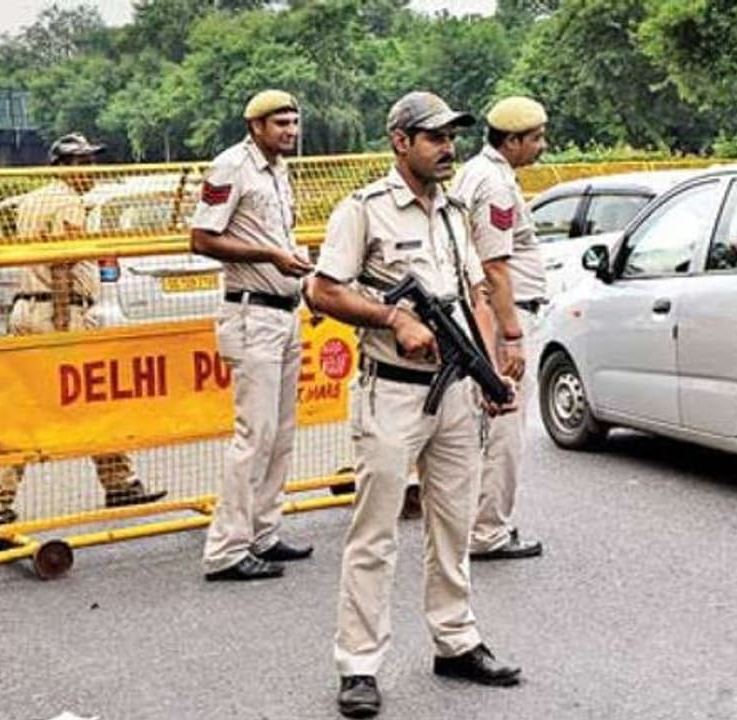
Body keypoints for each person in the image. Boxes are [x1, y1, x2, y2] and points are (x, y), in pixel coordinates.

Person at [307, 91, 522, 719]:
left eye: (452, 136)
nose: (447, 147)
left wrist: (488, 370)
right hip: (392, 390)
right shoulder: (364, 211)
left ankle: (455, 640)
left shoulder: (455, 211)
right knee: (374, 534)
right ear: (400, 141)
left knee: (452, 523)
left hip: (455, 390)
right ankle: (359, 664)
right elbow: (323, 290)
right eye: (434, 137)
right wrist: (392, 318)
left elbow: (474, 293)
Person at [0, 134, 166, 539]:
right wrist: (64, 325)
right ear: (62, 166)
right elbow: (62, 263)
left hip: (27, 307)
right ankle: (113, 484)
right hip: (56, 312)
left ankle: (3, 499)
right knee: (87, 397)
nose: (91, 170)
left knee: (39, 405)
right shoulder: (66, 203)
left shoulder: (32, 199)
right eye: (82, 162)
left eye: (92, 161)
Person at [191, 90, 315, 582]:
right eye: (280, 123)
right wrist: (270, 258)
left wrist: (302, 283)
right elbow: (202, 239)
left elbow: (281, 238)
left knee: (280, 435)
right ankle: (226, 549)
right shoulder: (230, 167)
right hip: (252, 315)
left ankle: (263, 532)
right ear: (255, 126)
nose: (290, 130)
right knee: (253, 435)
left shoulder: (279, 170)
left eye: (294, 122)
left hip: (284, 312)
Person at [452, 96, 549, 561]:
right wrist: (511, 335)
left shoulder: (478, 172)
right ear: (510, 140)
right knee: (505, 423)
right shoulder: (493, 186)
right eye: (535, 138)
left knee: (481, 424)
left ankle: (473, 523)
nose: (542, 146)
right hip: (503, 316)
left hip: (485, 315)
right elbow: (495, 267)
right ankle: (488, 529)